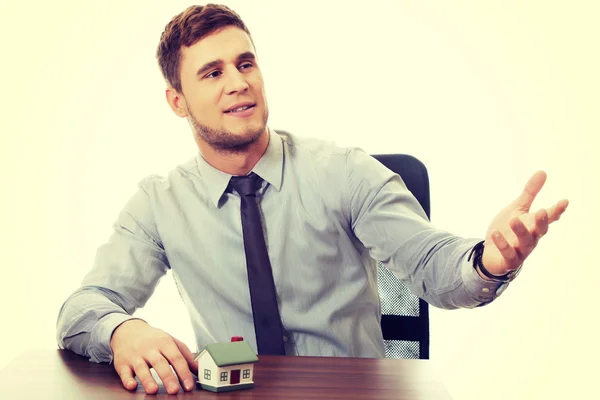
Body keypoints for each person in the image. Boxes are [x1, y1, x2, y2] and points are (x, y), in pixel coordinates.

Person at [56, 3, 568, 395]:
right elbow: (81, 309)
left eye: (246, 63)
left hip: (351, 397)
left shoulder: (344, 171)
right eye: (212, 73)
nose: (238, 83)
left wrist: (489, 260)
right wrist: (123, 329)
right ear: (177, 101)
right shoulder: (159, 203)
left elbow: (434, 267)